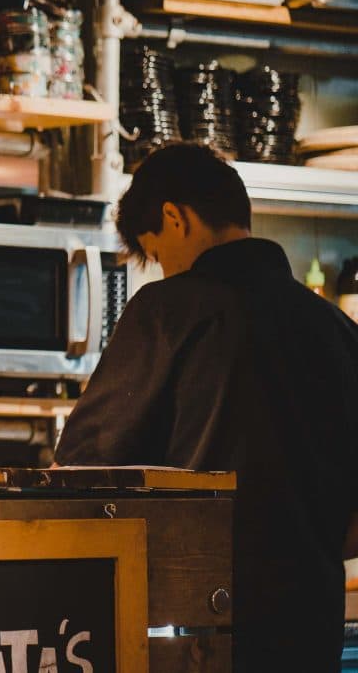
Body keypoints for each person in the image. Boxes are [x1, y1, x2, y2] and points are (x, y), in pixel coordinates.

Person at [53, 143, 358, 672]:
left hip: (198, 628)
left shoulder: (167, 309)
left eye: (160, 254)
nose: (166, 271)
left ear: (175, 217)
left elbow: (81, 468)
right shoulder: (337, 329)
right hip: (312, 627)